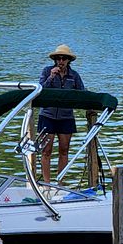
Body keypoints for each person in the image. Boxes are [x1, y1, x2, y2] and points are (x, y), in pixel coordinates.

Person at [37, 44, 85, 184]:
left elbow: (82, 93)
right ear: (55, 60)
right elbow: (40, 90)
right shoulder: (46, 71)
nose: (61, 61)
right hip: (47, 115)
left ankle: (60, 183)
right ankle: (46, 184)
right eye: (58, 58)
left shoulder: (74, 75)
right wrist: (51, 77)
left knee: (64, 150)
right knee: (46, 151)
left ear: (69, 60)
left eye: (64, 58)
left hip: (66, 117)